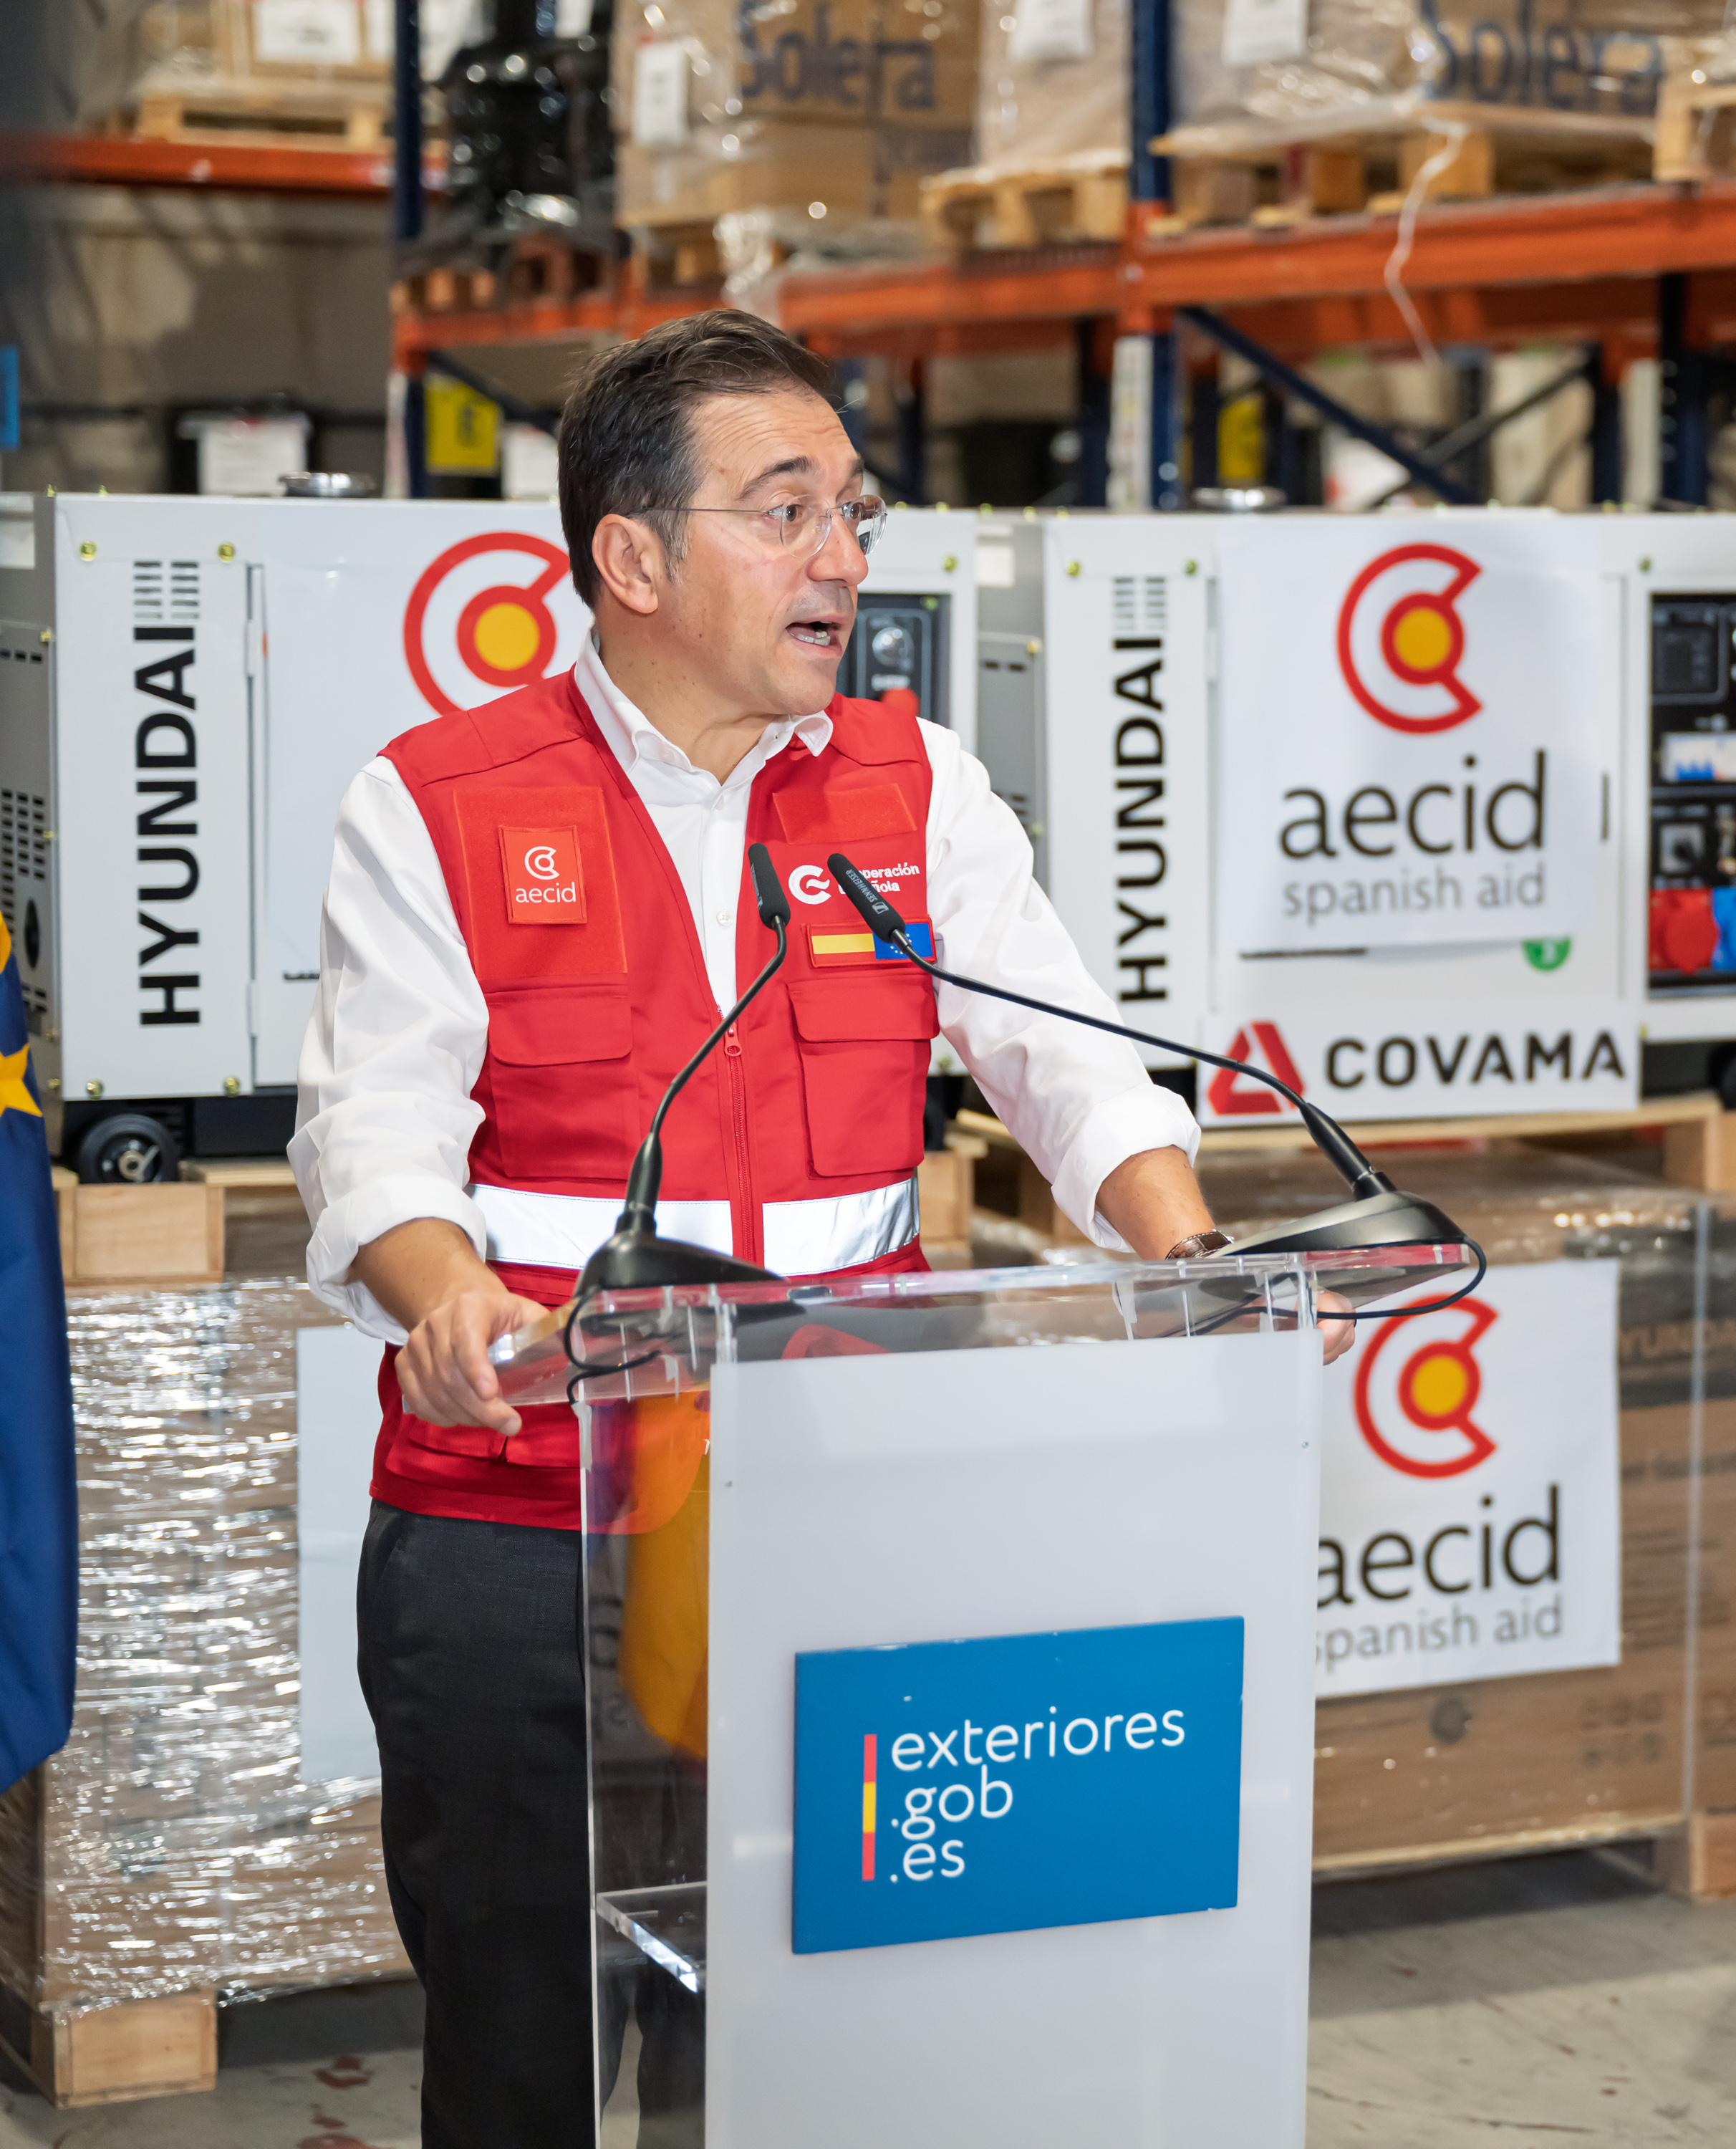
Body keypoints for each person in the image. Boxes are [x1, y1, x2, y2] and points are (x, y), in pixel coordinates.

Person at [290, 309, 1322, 2148]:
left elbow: (1071, 1066)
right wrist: (445, 1302)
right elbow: (374, 1135)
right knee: (521, 2047)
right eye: (786, 513)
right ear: (633, 558)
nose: (842, 558)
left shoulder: (914, 792)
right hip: (524, 1526)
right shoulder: (439, 802)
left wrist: (1187, 1250)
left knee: (794, 2049)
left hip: (830, 1520)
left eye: (854, 512)